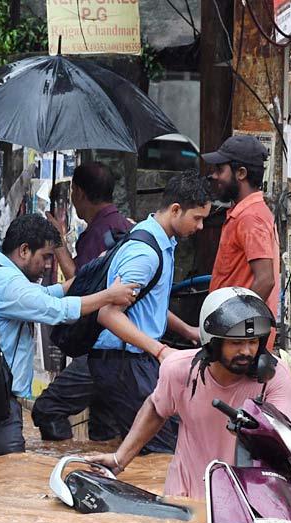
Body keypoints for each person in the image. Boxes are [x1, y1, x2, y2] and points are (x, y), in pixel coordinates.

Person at [0, 214, 139, 456]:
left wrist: (88, 277)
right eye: (45, 257)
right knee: (8, 478)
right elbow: (58, 311)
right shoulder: (6, 283)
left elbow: (43, 295)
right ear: (24, 251)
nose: (49, 265)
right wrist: (109, 296)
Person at [87, 287, 291, 499]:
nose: (246, 351)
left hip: (248, 498)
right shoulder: (180, 370)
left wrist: (256, 431)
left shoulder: (274, 377)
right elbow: (157, 408)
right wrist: (120, 459)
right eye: (236, 343)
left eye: (253, 342)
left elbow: (281, 443)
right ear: (213, 343)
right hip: (185, 495)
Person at [84, 171, 213, 454]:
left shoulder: (162, 242)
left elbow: (147, 305)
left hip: (131, 360)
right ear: (176, 210)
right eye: (198, 218)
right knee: (161, 453)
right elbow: (108, 314)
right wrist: (159, 351)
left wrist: (187, 331)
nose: (201, 227)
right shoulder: (146, 252)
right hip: (126, 362)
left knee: (144, 447)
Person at [32, 162, 133, 442]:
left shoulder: (104, 231)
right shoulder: (119, 225)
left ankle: (62, 470)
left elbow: (81, 282)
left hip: (101, 344)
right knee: (103, 429)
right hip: (115, 346)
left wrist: (59, 240)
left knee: (47, 408)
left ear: (78, 192)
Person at [203, 135, 281, 338]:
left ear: (241, 173)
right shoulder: (246, 213)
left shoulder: (250, 217)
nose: (214, 176)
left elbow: (265, 280)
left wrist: (235, 326)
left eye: (220, 170)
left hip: (237, 339)